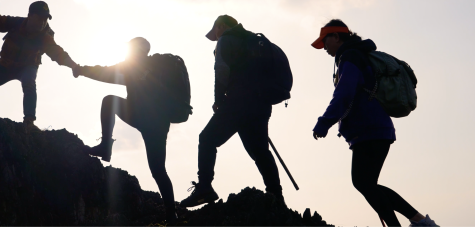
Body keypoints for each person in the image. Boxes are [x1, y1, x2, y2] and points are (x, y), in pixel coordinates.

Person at [311, 19, 437, 227]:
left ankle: (417, 223)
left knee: (363, 183)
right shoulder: (358, 54)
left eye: (325, 41)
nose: (323, 47)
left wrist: (324, 122)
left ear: (336, 36)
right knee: (368, 184)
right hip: (377, 129)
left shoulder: (350, 56)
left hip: (368, 129)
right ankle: (421, 221)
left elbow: (344, 93)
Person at [180, 15, 286, 208]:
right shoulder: (254, 41)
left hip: (238, 101)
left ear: (222, 26)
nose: (216, 36)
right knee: (260, 151)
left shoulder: (226, 39)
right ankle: (276, 196)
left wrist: (218, 99)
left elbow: (221, 70)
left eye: (216, 31)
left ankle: (205, 188)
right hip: (262, 103)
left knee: (207, 139)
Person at [72, 38, 180, 222]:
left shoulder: (132, 66)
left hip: (139, 116)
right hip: (159, 123)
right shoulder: (156, 67)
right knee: (159, 170)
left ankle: (105, 146)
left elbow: (105, 73)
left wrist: (81, 70)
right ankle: (172, 216)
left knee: (109, 102)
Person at [0, 0, 77, 127]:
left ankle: (29, 121)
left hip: (28, 66)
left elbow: (58, 53)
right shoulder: (15, 23)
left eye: (45, 19)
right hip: (6, 64)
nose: (43, 22)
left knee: (29, 83)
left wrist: (74, 66)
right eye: (40, 18)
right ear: (30, 16)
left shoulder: (45, 36)